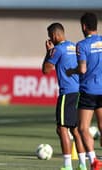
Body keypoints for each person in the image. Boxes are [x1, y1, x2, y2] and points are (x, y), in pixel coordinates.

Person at [42, 23, 87, 170]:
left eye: (50, 36)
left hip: (67, 93)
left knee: (62, 128)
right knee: (75, 129)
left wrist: (48, 52)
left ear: (54, 36)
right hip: (80, 91)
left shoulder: (57, 49)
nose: (50, 39)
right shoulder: (75, 47)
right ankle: (82, 164)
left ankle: (67, 165)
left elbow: (46, 70)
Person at [66, 12, 102, 170]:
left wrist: (70, 71)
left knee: (82, 128)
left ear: (84, 26)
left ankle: (94, 161)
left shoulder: (81, 45)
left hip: (88, 91)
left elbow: (82, 69)